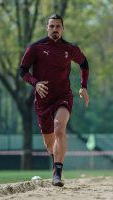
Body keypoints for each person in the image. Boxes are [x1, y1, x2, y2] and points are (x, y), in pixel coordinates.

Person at [19, 14, 89, 187]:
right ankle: (55, 158)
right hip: (43, 100)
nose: (55, 29)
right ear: (47, 28)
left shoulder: (70, 49)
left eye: (58, 26)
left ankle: (57, 174)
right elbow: (23, 71)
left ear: (62, 29)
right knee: (50, 144)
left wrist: (83, 86)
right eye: (52, 26)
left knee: (60, 129)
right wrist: (35, 83)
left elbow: (84, 63)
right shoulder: (35, 48)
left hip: (63, 96)